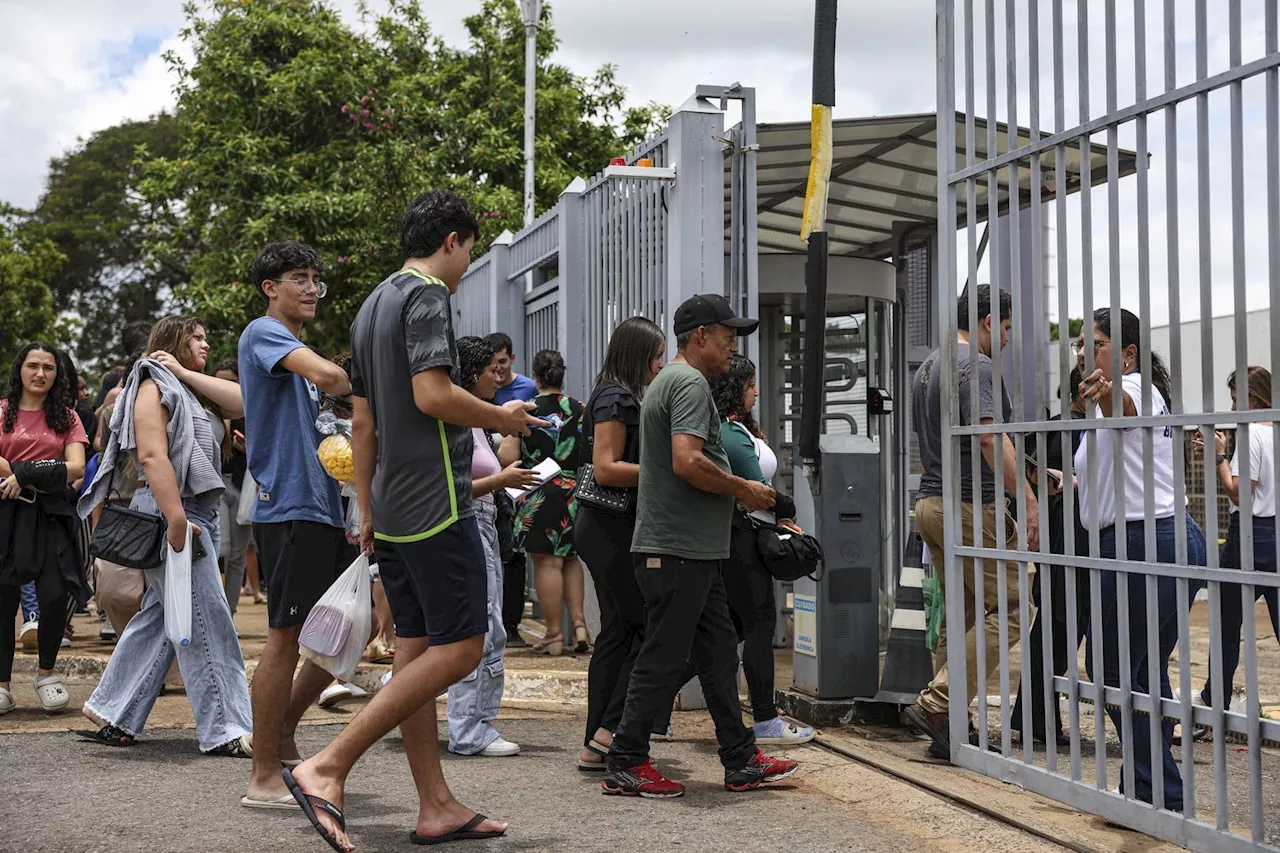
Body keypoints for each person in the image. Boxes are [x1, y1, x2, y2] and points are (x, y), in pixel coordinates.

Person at [284, 189, 543, 851]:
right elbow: (432, 393)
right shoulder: (427, 293)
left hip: (394, 510)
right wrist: (503, 416)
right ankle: (329, 764)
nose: (466, 266)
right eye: (469, 251)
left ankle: (435, 804)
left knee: (416, 654)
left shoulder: (371, 305)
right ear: (451, 240)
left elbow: (362, 422)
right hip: (440, 502)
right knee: (460, 648)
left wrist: (367, 510)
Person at [603, 293, 797, 799]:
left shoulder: (673, 381)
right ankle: (626, 760)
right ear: (700, 336)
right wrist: (744, 489)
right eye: (728, 336)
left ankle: (740, 758)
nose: (734, 347)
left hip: (692, 550)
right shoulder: (688, 383)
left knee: (715, 658)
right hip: (677, 550)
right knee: (662, 657)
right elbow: (687, 461)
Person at [76, 316, 253, 753]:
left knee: (162, 618)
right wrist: (175, 518)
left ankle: (115, 712)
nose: (206, 344)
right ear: (171, 342)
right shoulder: (151, 386)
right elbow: (153, 455)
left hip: (195, 511)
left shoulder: (188, 387)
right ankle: (227, 728)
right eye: (195, 338)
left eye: (206, 337)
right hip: (173, 510)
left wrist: (185, 371)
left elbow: (245, 401)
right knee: (207, 622)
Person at [1075, 307, 1206, 813]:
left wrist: (1106, 391)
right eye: (1082, 345)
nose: (1086, 353)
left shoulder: (1137, 389)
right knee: (1143, 670)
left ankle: (1164, 793)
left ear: (1128, 354)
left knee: (1110, 668)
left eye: (1099, 344)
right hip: (1163, 537)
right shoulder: (1106, 410)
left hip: (1142, 542)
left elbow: (1124, 405)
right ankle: (1144, 790)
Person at [238, 240, 354, 809]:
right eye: (299, 278)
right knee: (283, 639)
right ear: (270, 288)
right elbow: (333, 378)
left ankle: (283, 736)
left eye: (316, 279)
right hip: (288, 508)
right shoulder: (265, 334)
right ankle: (262, 775)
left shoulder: (290, 347)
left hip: (321, 507)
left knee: (344, 633)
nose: (311, 288)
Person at [904, 284, 1040, 762]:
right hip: (967, 506)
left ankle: (948, 726)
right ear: (987, 322)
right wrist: (1025, 497)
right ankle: (937, 701)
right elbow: (987, 436)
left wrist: (1034, 472)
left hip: (932, 504)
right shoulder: (976, 365)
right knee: (1014, 608)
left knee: (961, 613)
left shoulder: (927, 367)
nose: (1006, 339)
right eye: (1004, 328)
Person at [575, 317, 666, 770]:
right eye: (656, 355)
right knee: (642, 626)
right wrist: (663, 470)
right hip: (609, 526)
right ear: (638, 355)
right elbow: (607, 467)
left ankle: (598, 738)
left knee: (618, 630)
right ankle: (608, 730)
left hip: (605, 526)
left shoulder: (614, 393)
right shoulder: (615, 397)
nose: (660, 365)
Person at [710, 354, 815, 746]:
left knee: (733, 627)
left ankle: (652, 710)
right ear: (735, 389)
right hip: (742, 540)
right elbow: (757, 491)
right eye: (751, 385)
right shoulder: (731, 432)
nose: (756, 391)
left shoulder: (738, 429)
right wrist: (785, 509)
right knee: (757, 625)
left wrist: (779, 516)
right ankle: (766, 720)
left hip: (750, 533)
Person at [449, 336, 540, 756]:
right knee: (483, 629)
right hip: (470, 524)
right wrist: (500, 481)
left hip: (483, 523)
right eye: (490, 369)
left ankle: (477, 723)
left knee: (490, 627)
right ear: (472, 374)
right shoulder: (457, 420)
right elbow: (449, 487)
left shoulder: (474, 420)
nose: (498, 376)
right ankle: (471, 729)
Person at [0, 343, 88, 714]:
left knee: (53, 595)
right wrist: (27, 476)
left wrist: (26, 474)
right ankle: (2, 685)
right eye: (33, 365)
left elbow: (77, 467)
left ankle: (46, 674)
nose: (40, 373)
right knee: (4, 599)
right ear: (19, 369)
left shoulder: (67, 417)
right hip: (5, 512)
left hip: (52, 515)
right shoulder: (2, 412)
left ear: (57, 374)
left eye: (48, 367)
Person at [1192, 366, 1277, 731]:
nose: (1232, 406)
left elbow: (1240, 492)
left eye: (1235, 398)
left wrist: (1219, 456)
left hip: (1250, 534)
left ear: (1252, 399)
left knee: (1226, 624)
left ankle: (1214, 706)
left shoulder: (1253, 432)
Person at [1011, 367, 1091, 745]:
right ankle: (1036, 717)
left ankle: (1033, 717)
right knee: (1062, 631)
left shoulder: (1048, 429)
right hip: (1077, 542)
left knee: (1053, 629)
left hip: (1053, 540)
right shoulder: (1080, 431)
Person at [499, 350, 587, 655]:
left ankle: (553, 634)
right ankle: (579, 625)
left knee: (546, 563)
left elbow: (508, 457)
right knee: (571, 559)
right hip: (573, 490)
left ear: (536, 377)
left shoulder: (527, 410)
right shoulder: (580, 409)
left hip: (539, 489)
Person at [487, 332, 536, 648]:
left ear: (512, 359)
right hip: (488, 481)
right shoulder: (480, 392)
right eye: (492, 366)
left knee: (513, 553)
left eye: (502, 363)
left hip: (517, 481)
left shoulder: (529, 389)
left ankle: (512, 624)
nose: (498, 371)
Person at [212, 358, 252, 616]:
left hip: (242, 486)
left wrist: (248, 449)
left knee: (238, 554)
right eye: (220, 382)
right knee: (219, 552)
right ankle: (214, 611)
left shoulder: (249, 412)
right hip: (214, 488)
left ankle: (230, 612)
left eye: (232, 382)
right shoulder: (205, 412)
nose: (226, 387)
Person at [488, 332, 537, 405]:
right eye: (492, 363)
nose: (497, 368)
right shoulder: (482, 390)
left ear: (512, 358)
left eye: (502, 361)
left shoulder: (531, 388)